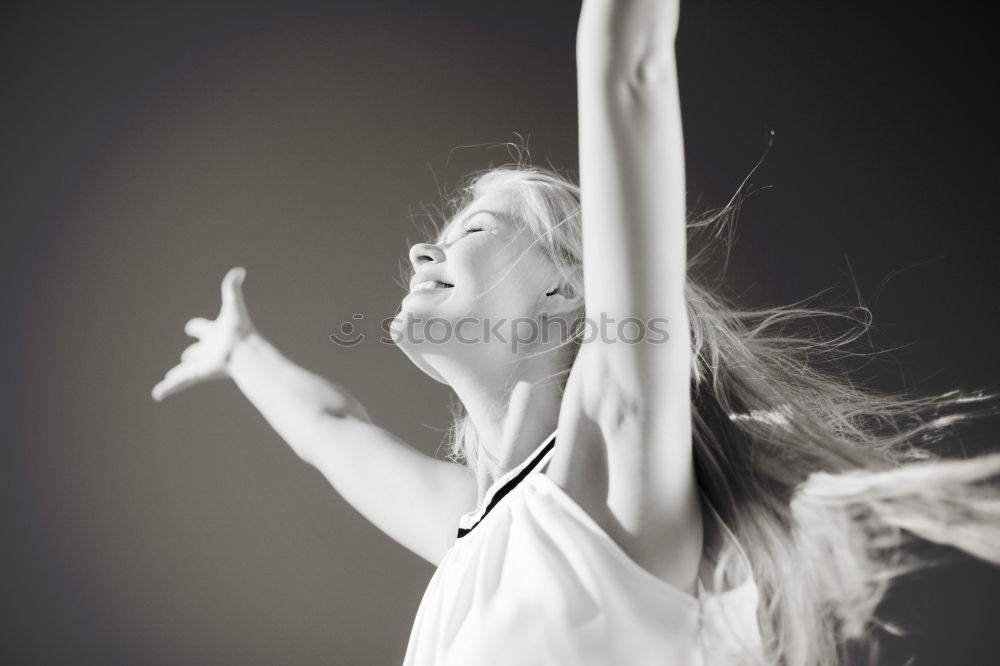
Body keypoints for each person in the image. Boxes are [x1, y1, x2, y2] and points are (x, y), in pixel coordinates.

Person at [152, 1, 1000, 664]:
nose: (423, 249)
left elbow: (627, 73)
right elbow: (331, 430)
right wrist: (243, 354)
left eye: (473, 232)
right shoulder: (472, 524)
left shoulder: (612, 467)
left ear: (568, 293)